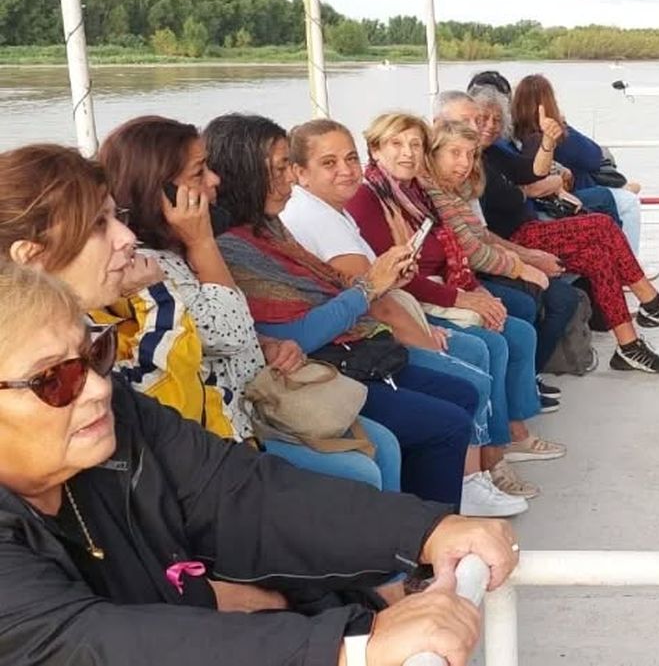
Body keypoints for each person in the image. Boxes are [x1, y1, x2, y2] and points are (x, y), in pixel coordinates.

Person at [0, 260, 518, 666]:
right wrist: (348, 649)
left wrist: (425, 530)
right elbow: (80, 642)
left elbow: (242, 493)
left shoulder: (121, 420)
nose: (96, 388)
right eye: (53, 379)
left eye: (95, 355)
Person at [203, 113, 519, 514]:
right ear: (245, 172)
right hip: (315, 370)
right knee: (446, 418)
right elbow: (300, 334)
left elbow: (329, 290)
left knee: (463, 392)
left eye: (350, 159)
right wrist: (372, 285)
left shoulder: (271, 228)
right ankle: (429, 529)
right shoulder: (234, 247)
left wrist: (381, 282)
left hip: (350, 348)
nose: (289, 181)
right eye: (281, 168)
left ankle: (440, 511)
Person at [96, 116, 402, 490]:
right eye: (199, 173)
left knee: (384, 445)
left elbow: (235, 330)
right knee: (363, 470)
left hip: (258, 393)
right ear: (157, 189)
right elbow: (229, 332)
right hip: (223, 425)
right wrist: (202, 242)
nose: (214, 181)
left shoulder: (194, 247)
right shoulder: (149, 267)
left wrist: (265, 343)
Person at [345, 114, 565, 475]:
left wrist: (478, 290)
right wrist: (472, 294)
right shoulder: (370, 199)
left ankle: (509, 434)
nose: (408, 153)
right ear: (375, 149)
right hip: (413, 303)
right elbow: (400, 277)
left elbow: (461, 247)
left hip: (440, 288)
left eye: (415, 145)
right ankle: (491, 458)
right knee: (489, 344)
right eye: (397, 144)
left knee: (520, 326)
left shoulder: (413, 192)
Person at [473, 110, 659, 374]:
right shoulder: (470, 170)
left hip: (530, 229)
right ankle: (651, 302)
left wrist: (548, 142)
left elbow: (532, 172)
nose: (489, 126)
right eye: (479, 119)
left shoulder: (493, 153)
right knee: (602, 225)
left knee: (599, 257)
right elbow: (491, 224)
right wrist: (529, 197)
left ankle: (628, 347)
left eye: (495, 119)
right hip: (514, 241)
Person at [434, 90, 586, 373]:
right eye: (468, 120)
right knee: (532, 303)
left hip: (493, 253)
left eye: (483, 119)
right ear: (437, 126)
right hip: (471, 267)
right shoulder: (441, 181)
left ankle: (529, 377)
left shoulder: (479, 162)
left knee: (598, 233)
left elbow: (531, 172)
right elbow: (473, 246)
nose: (479, 126)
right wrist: (523, 264)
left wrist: (548, 142)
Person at [508, 77, 645, 257]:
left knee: (620, 193)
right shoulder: (552, 135)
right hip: (556, 201)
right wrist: (562, 125)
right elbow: (593, 156)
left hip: (542, 201)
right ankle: (628, 262)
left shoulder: (516, 134)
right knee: (628, 201)